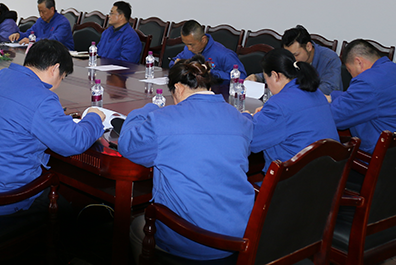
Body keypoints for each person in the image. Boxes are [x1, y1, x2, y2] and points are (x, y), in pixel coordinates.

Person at [119, 56, 254, 262]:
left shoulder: (163, 120)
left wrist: (148, 109)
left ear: (179, 88)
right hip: (239, 234)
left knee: (136, 225)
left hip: (190, 237)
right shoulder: (239, 118)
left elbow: (127, 144)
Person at [0, 39, 105, 215]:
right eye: (62, 77)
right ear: (55, 69)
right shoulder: (41, 97)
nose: (59, 83)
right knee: (76, 215)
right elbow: (75, 142)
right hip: (4, 199)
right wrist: (94, 117)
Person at [243, 48, 339, 171]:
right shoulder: (316, 93)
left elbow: (250, 139)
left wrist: (246, 117)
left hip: (293, 178)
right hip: (327, 174)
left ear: (275, 76)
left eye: (266, 80)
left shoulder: (279, 105)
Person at [329, 39, 396, 153]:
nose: (352, 77)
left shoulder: (367, 81)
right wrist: (332, 97)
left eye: (349, 70)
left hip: (393, 154)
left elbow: (334, 117)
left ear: (359, 62)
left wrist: (317, 104)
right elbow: (370, 98)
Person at [246, 25, 342, 95]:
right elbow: (280, 73)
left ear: (308, 46)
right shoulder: (292, 59)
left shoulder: (329, 59)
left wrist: (295, 93)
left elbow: (329, 89)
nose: (293, 59)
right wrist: (257, 77)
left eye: (296, 54)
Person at [171, 20, 245, 80]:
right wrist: (177, 64)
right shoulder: (188, 49)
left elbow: (241, 77)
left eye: (191, 45)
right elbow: (173, 61)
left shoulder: (224, 55)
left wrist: (210, 72)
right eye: (185, 44)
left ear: (203, 39)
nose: (189, 48)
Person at [9, 0, 75, 50]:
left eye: (43, 12)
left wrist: (33, 41)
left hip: (62, 55)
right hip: (43, 53)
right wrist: (18, 35)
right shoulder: (40, 21)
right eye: (39, 12)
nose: (41, 15)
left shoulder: (63, 23)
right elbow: (30, 34)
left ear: (52, 9)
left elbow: (54, 41)